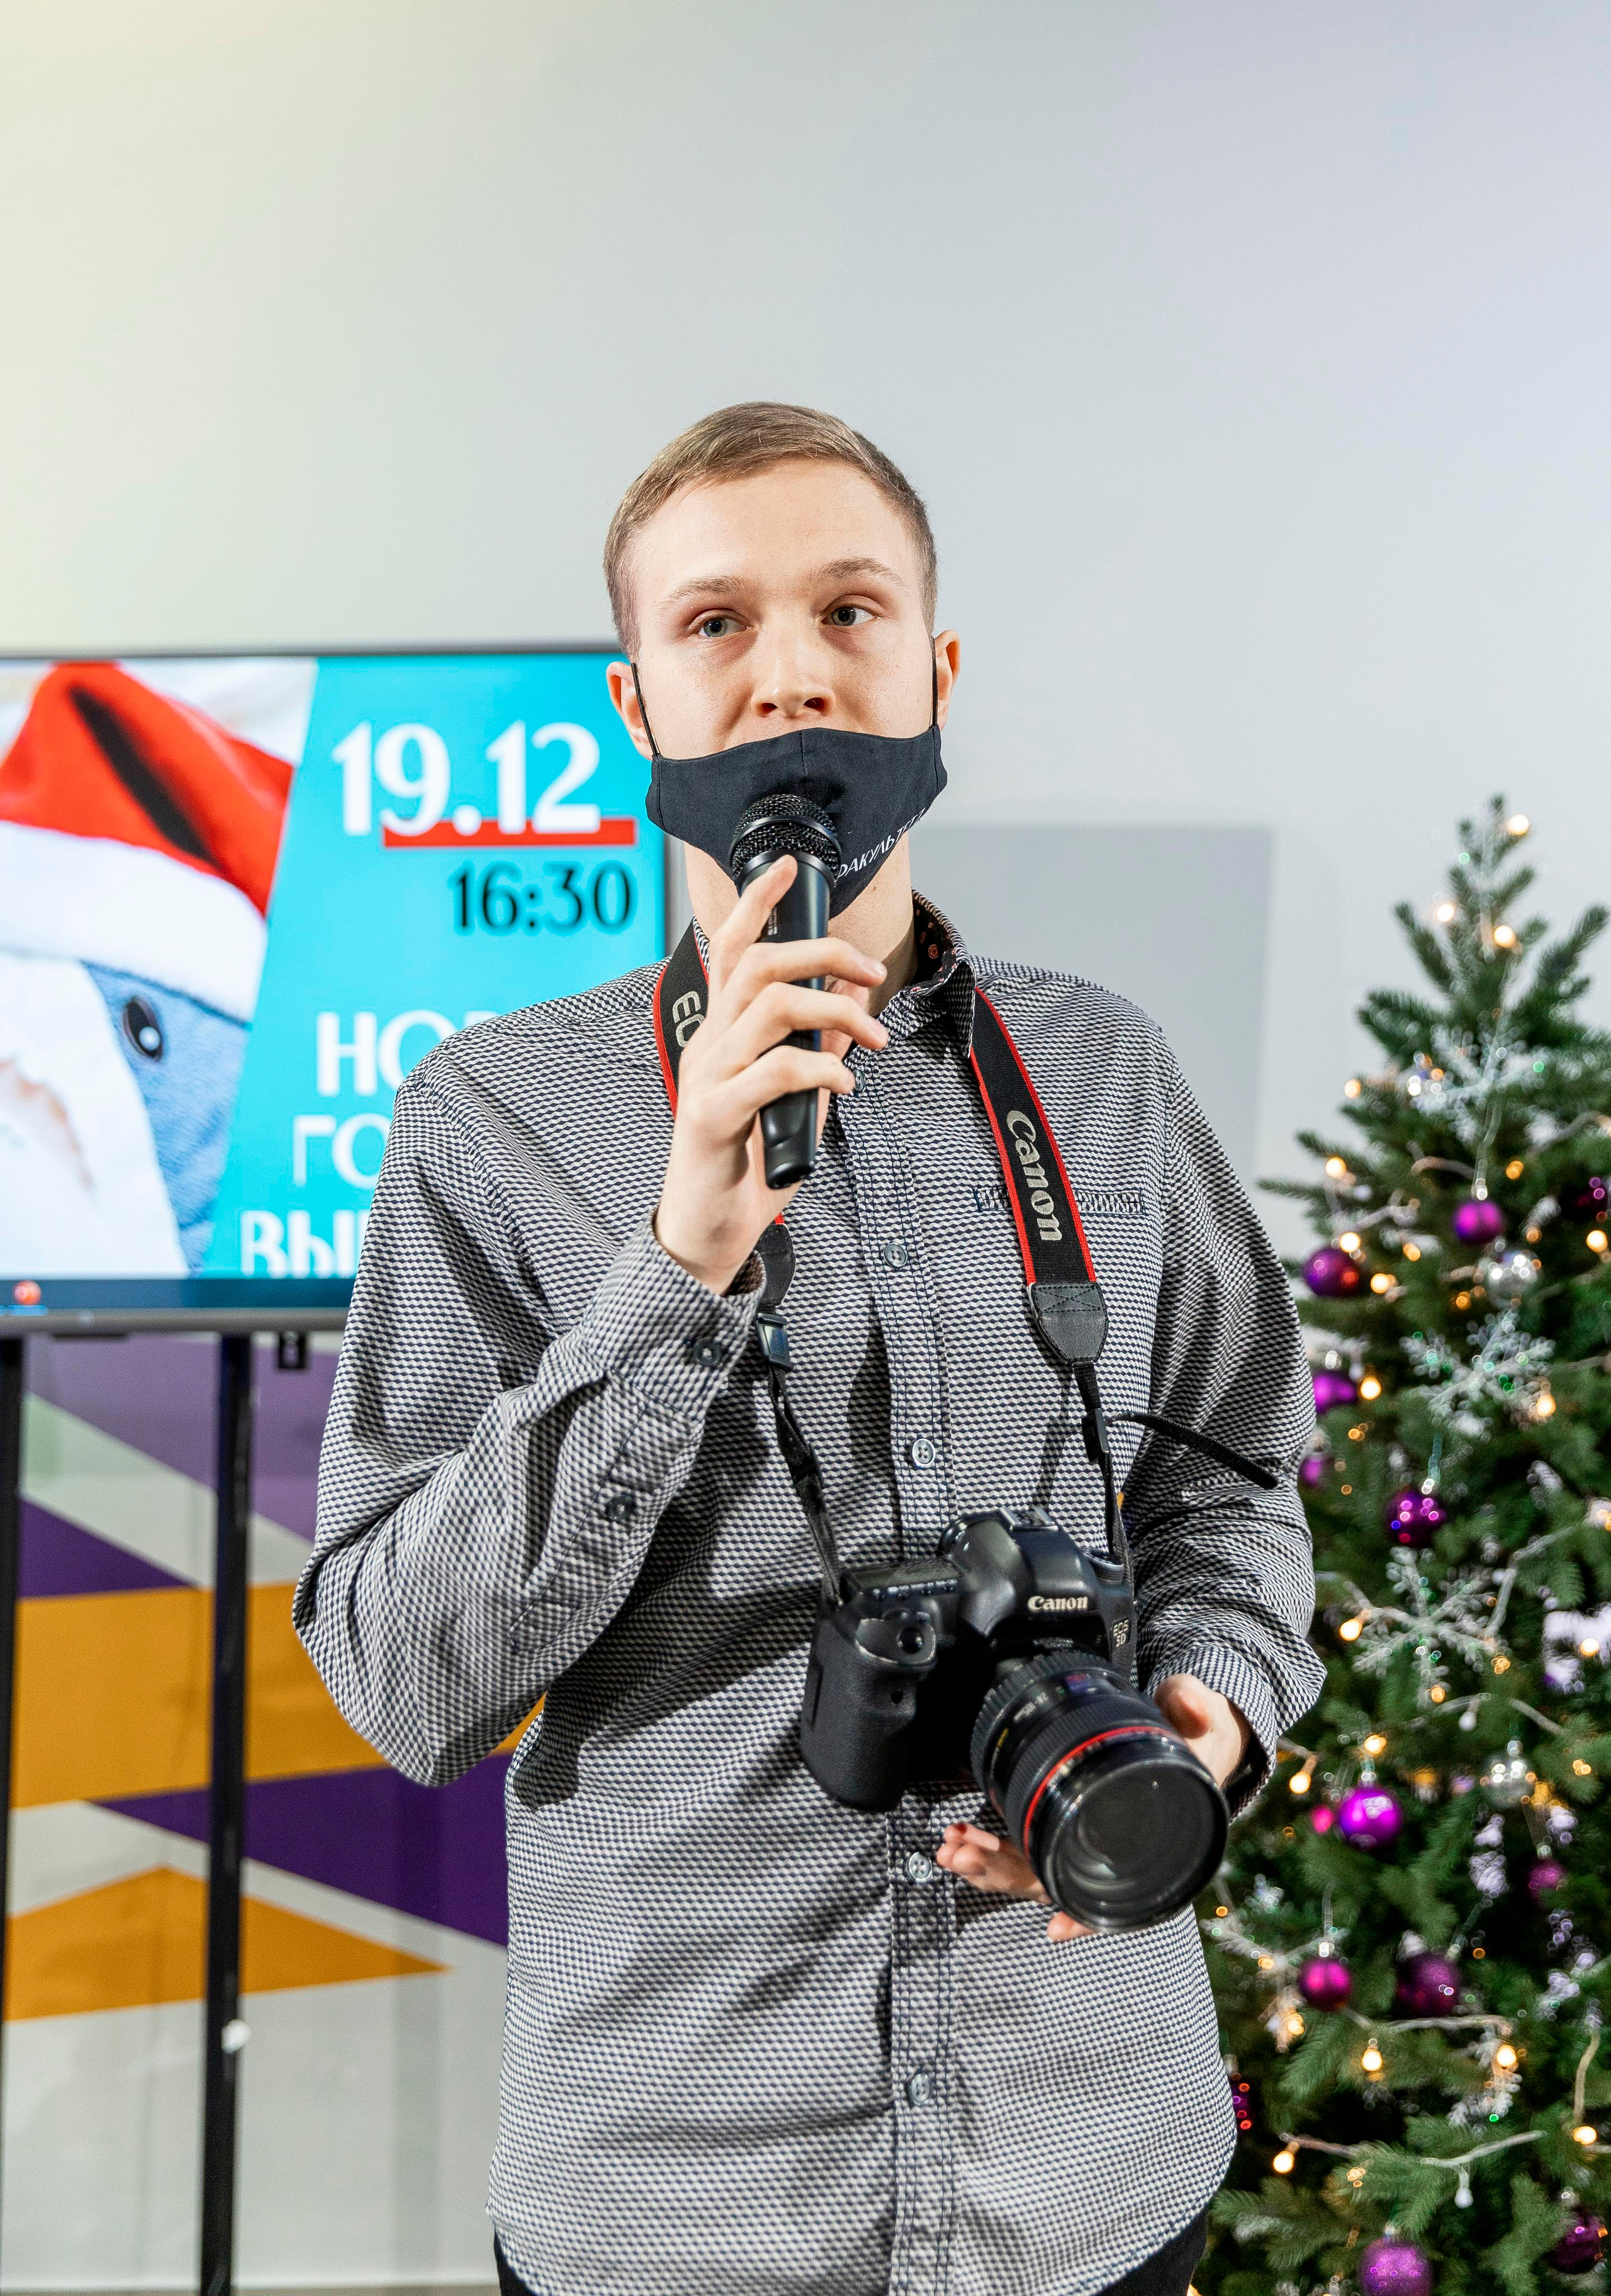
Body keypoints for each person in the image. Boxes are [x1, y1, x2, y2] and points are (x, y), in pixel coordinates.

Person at [299, 402, 1322, 2296]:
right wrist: (675, 1265)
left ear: (933, 670)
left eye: (851, 609)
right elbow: (397, 1677)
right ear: (638, 704)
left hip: (1099, 2166)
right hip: (682, 2205)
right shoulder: (491, 1119)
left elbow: (1238, 1481)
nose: (791, 672)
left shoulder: (1101, 1072)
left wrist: (1217, 1704)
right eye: (717, 625)